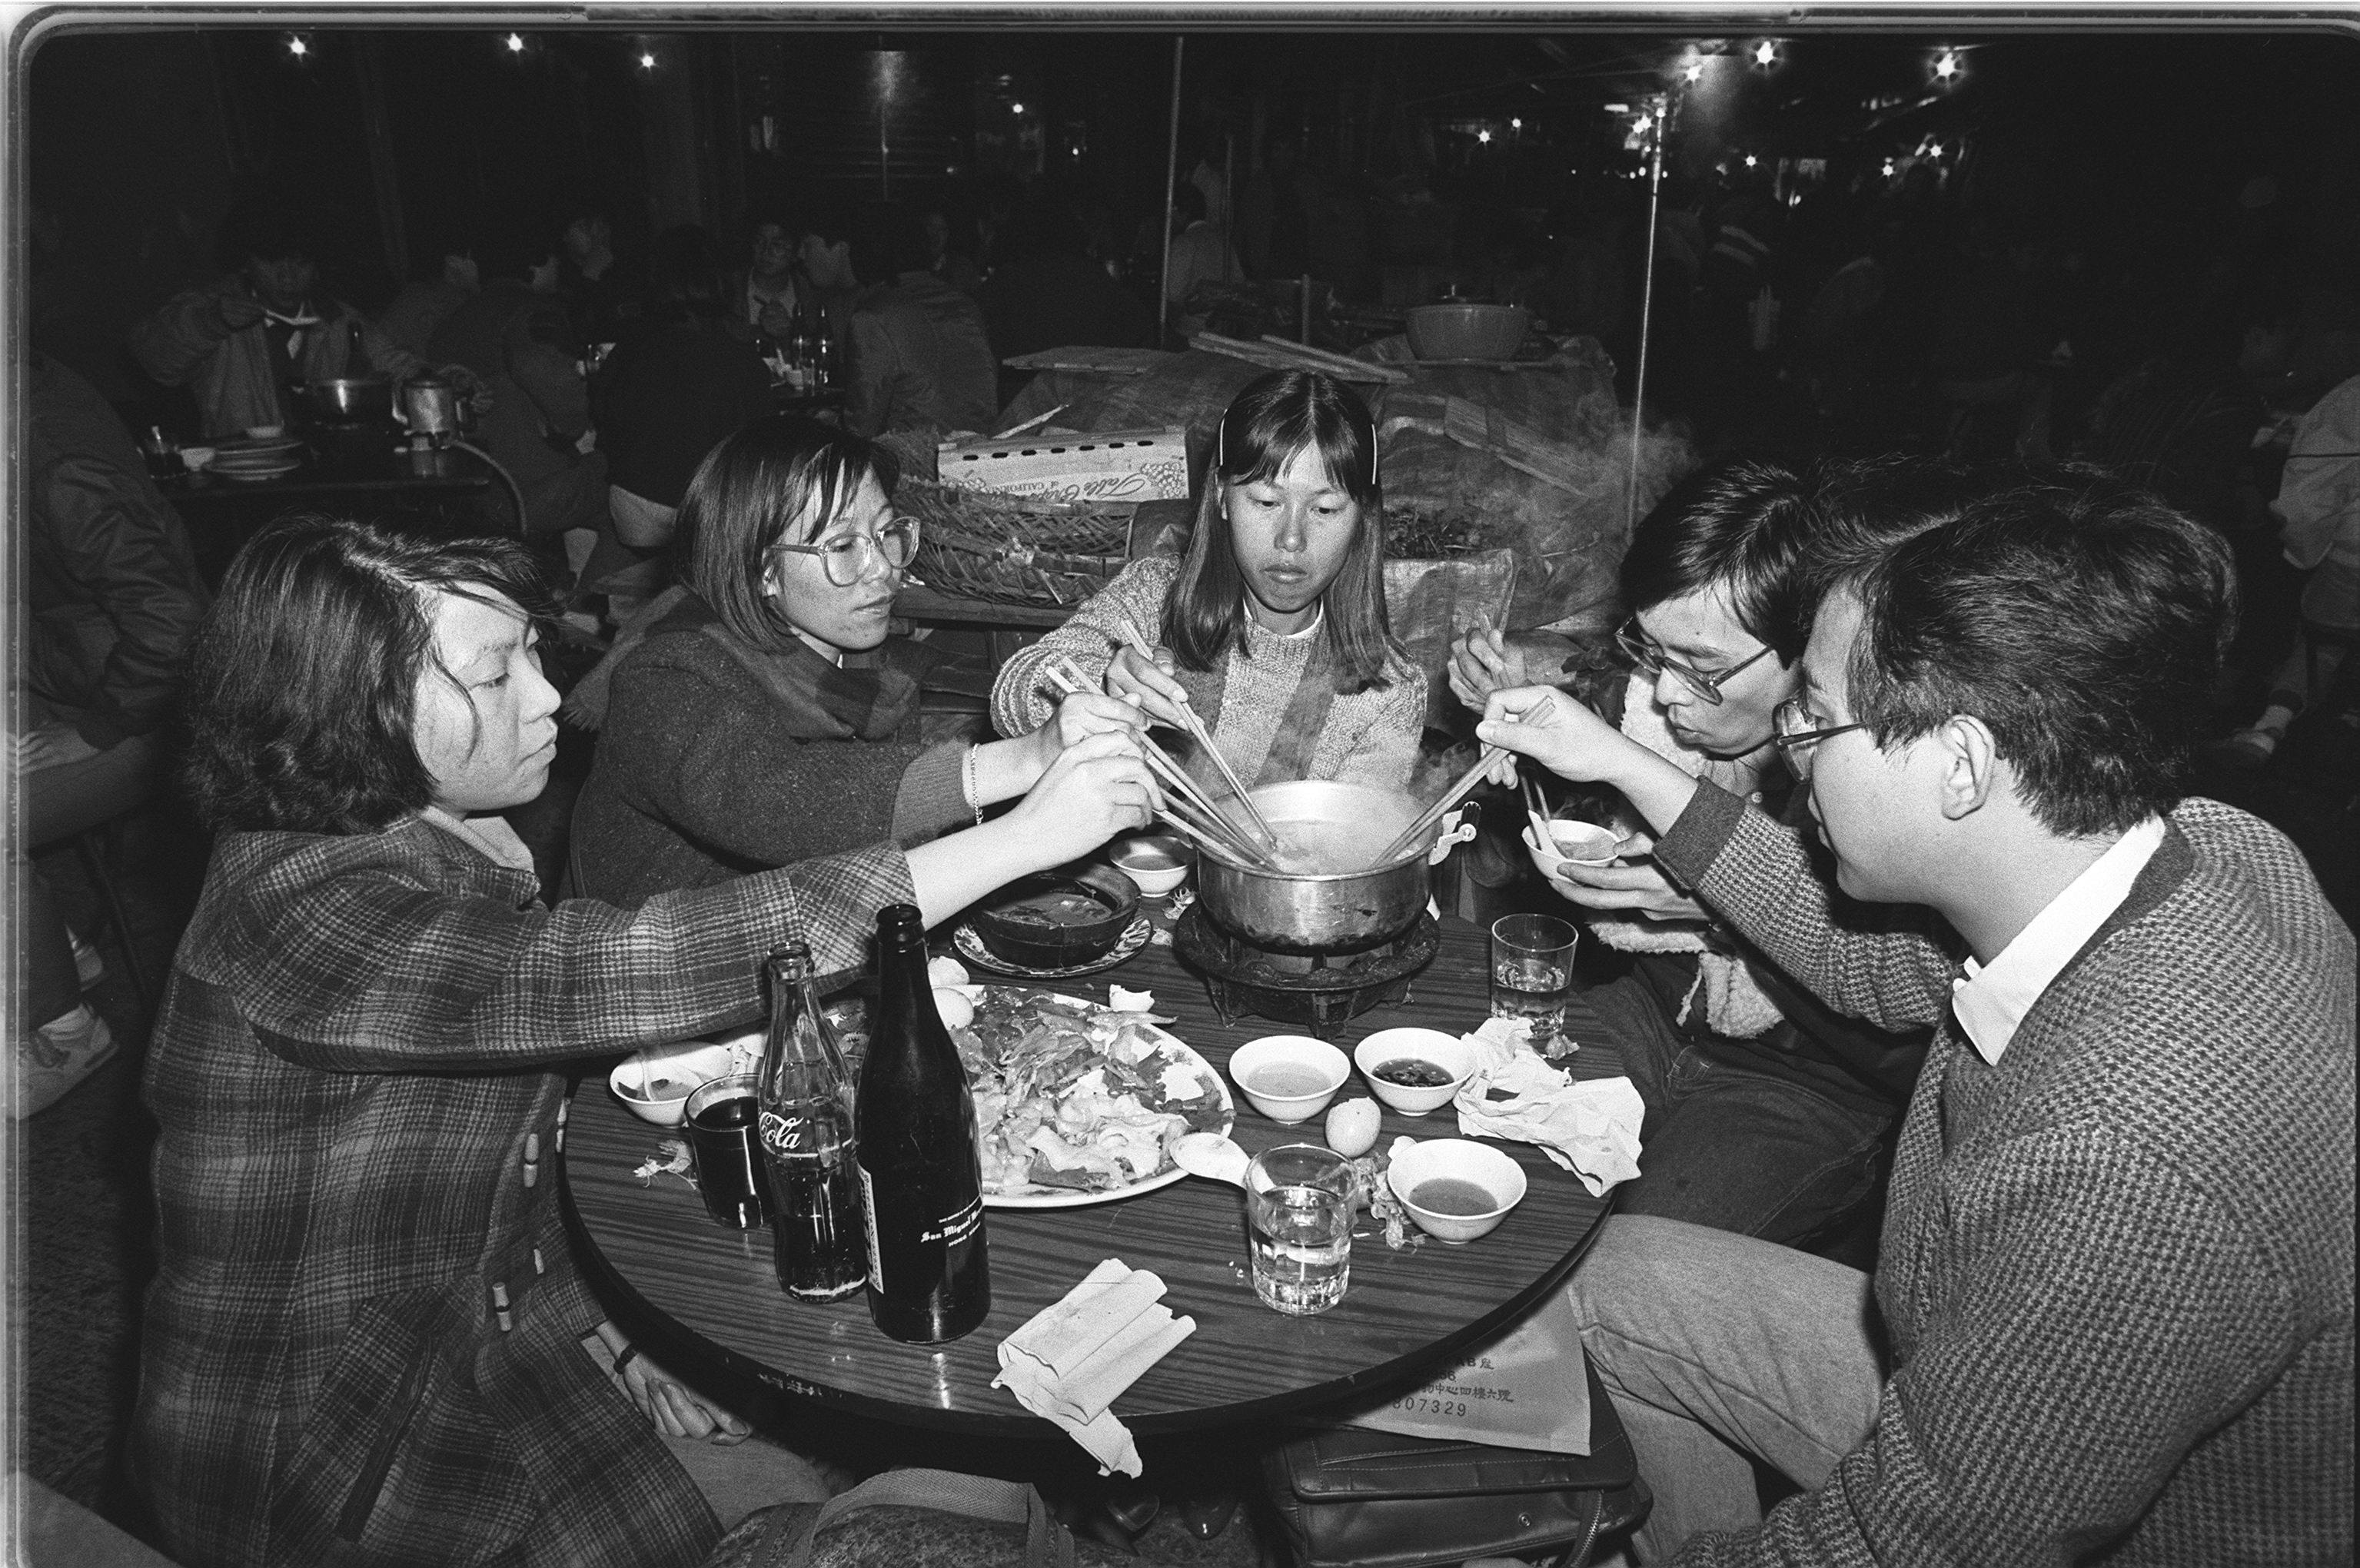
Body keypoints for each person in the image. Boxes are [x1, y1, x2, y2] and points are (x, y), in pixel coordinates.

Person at [129, 514, 1155, 1568]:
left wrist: (602, 1324)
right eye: (493, 677)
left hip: (488, 1346)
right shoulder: (291, 906)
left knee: (931, 1488)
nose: (547, 701)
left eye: (534, 652)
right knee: (949, 1519)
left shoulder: (428, 835)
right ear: (353, 708)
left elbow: (492, 1159)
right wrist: (1023, 839)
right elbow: (620, 969)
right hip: (335, 1462)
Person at [1477, 477, 2355, 1562]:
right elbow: (1865, 958)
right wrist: (1620, 762)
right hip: (1984, 1375)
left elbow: (1911, 1548)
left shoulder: (2124, 1164)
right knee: (1607, 1281)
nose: (1791, 763)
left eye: (1816, 720)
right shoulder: (2196, 845)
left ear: (1962, 763)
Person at [1447, 457, 1941, 1248]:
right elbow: (1589, 715)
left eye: (1702, 669)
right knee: (1478, 1163)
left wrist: (1720, 913)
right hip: (1649, 1011)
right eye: (1652, 651)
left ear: (1813, 645)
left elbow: (1904, 1040)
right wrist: (1513, 722)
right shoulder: (1653, 698)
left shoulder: (1876, 785)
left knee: (1630, 1261)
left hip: (1802, 1082)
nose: (1668, 695)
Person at [567, 415, 1142, 904]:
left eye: (887, 532)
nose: (885, 568)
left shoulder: (862, 672)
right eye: (843, 546)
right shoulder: (668, 677)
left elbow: (880, 848)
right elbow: (778, 799)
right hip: (662, 988)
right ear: (761, 571)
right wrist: (1026, 758)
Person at [992, 369, 1427, 802]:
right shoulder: (1155, 597)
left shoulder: (1389, 687)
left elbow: (1355, 840)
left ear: (1362, 517)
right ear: (1222, 497)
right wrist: (1101, 684)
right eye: (1267, 502)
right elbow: (1013, 692)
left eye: (1325, 509)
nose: (1291, 538)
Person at [13, 351, 211, 1116]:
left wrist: (99, 729)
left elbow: (173, 626)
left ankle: (62, 1028)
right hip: (72, 676)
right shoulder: (30, 395)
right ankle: (52, 945)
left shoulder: (61, 466)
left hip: (153, 712)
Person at [128, 207, 434, 438]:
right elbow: (153, 360)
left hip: (321, 472)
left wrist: (443, 384)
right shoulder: (212, 308)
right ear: (247, 263)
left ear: (317, 268)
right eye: (273, 262)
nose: (287, 277)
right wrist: (212, 322)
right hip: (239, 477)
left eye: (300, 263)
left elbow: (394, 365)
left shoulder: (337, 319)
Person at [428, 215, 610, 547]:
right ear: (536, 264)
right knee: (628, 487)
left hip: (474, 499)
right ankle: (592, 596)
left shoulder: (451, 324)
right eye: (556, 260)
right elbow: (568, 414)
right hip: (526, 496)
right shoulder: (534, 313)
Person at [2219, 367, 2360, 766]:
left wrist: (2303, 553)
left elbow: (2305, 503)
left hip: (2353, 563)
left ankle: (2268, 727)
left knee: (2325, 638)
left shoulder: (2351, 397)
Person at [837, 201, 999, 440]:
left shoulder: (874, 316)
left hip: (918, 458)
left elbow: (862, 424)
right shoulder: (961, 302)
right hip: (979, 449)